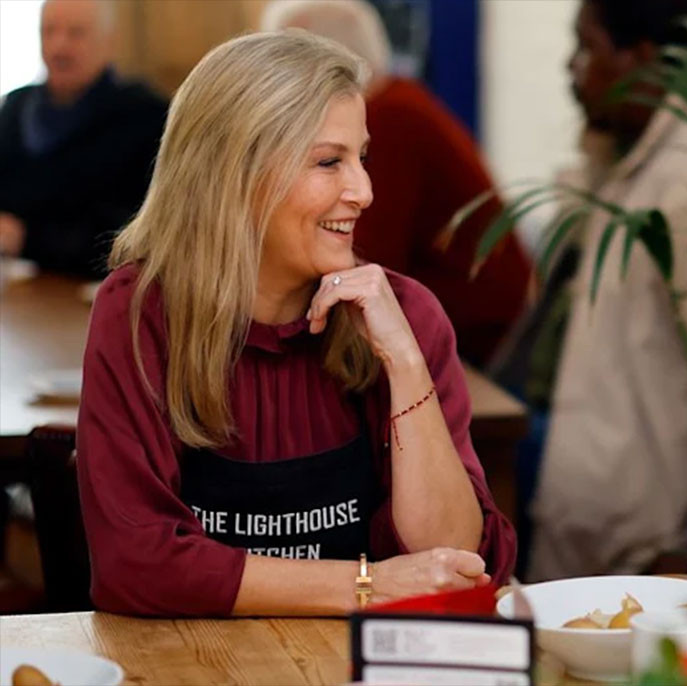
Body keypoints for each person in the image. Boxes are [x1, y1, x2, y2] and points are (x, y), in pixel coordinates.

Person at [76, 30, 515, 616]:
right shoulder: (140, 313)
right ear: (232, 174)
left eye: (362, 158)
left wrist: (406, 364)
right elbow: (134, 562)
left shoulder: (405, 315)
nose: (364, 191)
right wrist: (368, 584)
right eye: (329, 162)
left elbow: (453, 563)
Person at [526, 0, 687, 580]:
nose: (571, 66)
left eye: (587, 47)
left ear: (642, 59)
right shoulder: (632, 158)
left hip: (652, 548)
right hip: (602, 527)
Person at [260, 0, 531, 367]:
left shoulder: (385, 118)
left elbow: (363, 256)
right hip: (465, 330)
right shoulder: (395, 102)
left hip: (480, 346)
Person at [0, 0, 166, 277]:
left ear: (109, 41)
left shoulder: (144, 117)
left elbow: (141, 233)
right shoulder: (15, 109)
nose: (59, 47)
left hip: (97, 288)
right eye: (48, 31)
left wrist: (28, 239)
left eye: (75, 33)